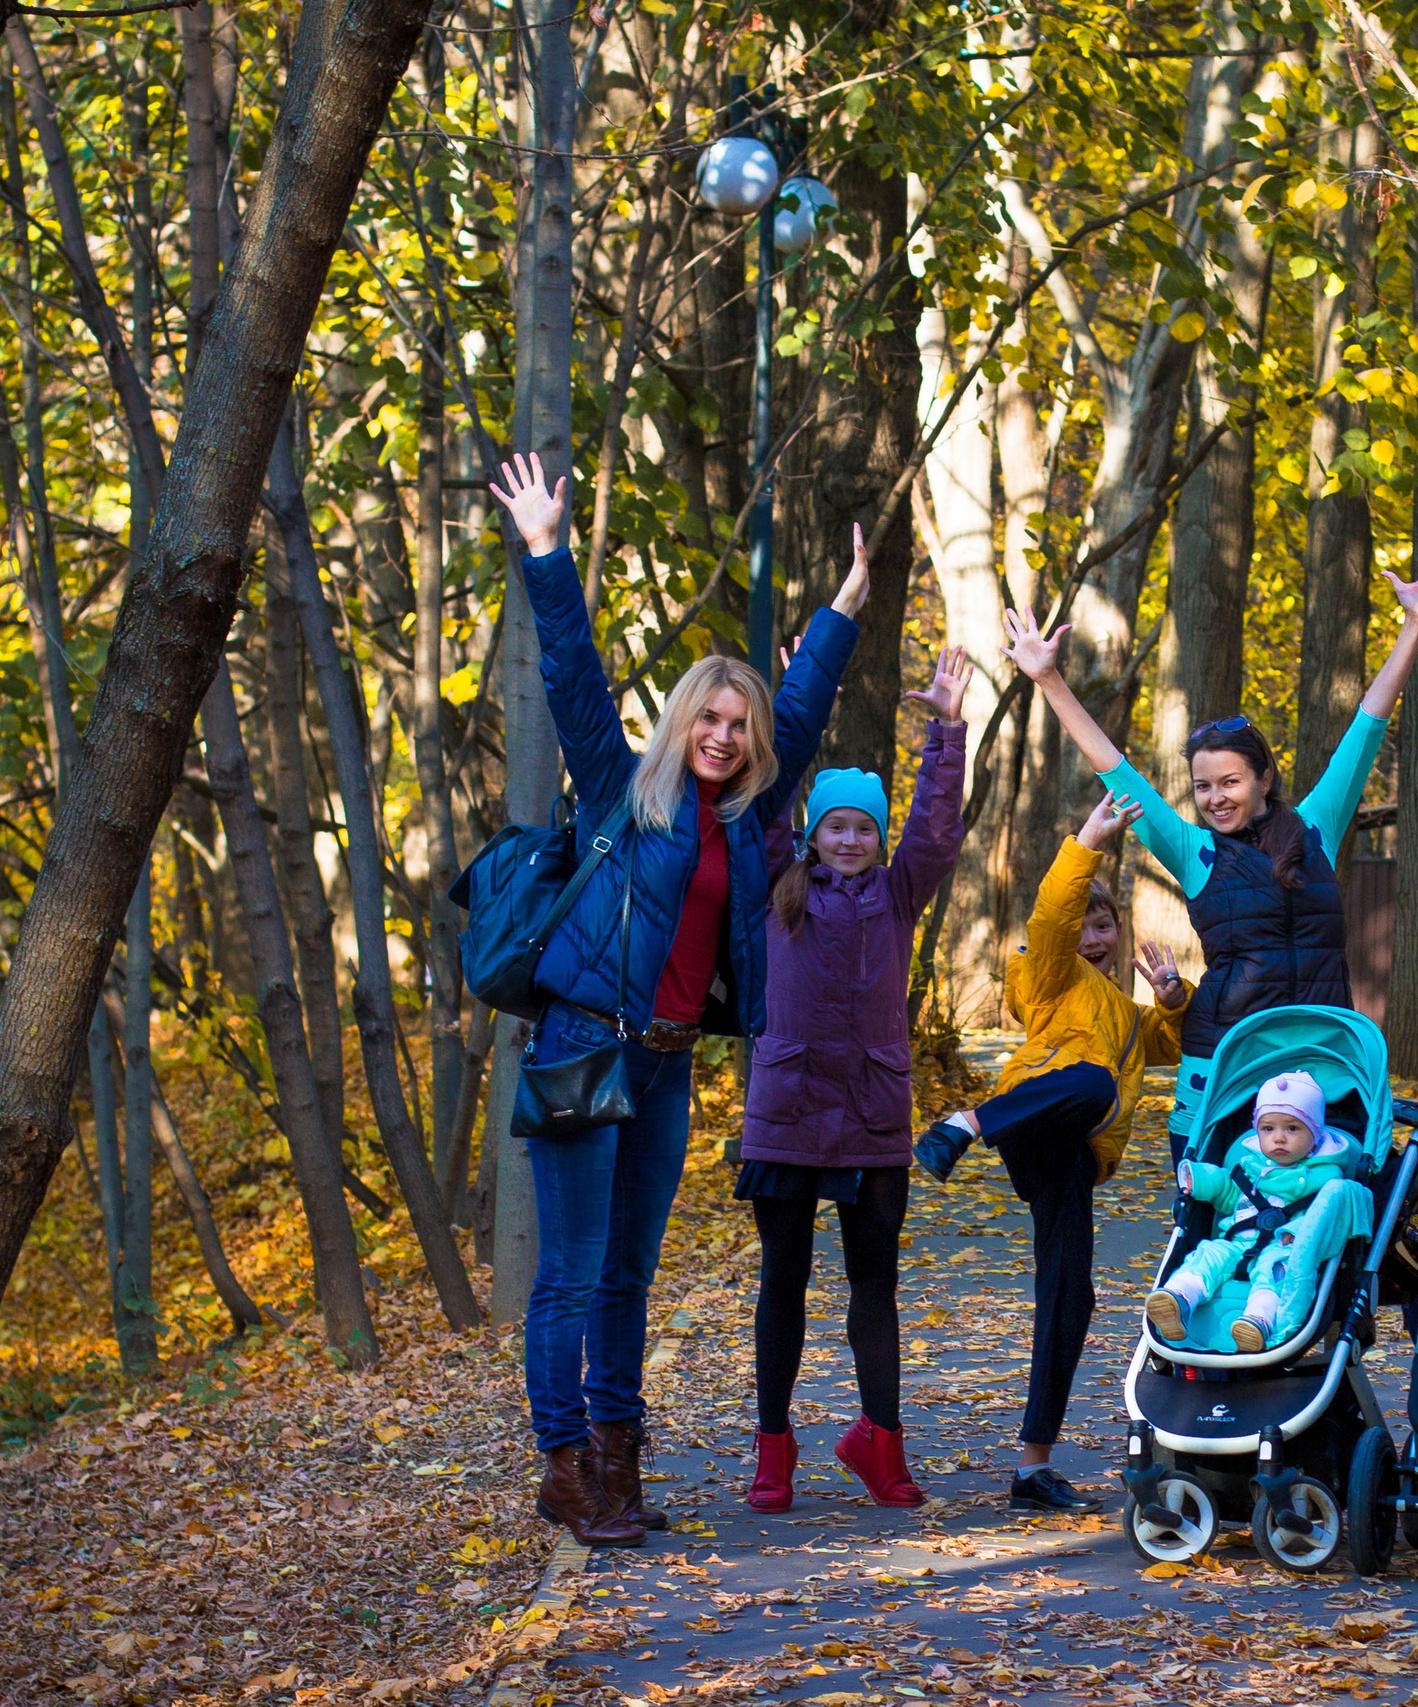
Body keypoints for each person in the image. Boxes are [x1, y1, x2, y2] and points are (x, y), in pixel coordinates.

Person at [491, 453, 869, 1548]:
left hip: (660, 1061)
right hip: (578, 1045)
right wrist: (549, 551)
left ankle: (618, 1467)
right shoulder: (624, 792)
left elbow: (798, 712)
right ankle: (564, 1467)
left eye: (738, 724)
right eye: (707, 718)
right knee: (567, 1274)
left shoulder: (749, 819)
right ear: (678, 725)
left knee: (626, 1272)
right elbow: (569, 675)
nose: (723, 735)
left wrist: (841, 610)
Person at [998, 554, 1418, 1159]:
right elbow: (1113, 769)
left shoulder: (1315, 828)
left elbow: (1368, 726)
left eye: (1230, 782)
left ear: (1263, 778)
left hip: (1323, 1051)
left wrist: (1415, 626)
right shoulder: (1194, 850)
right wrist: (1050, 682)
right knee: (1211, 1208)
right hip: (1226, 1054)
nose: (1215, 798)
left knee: (1341, 1194)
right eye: (1202, 786)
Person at [735, 646, 970, 1514]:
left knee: (875, 1284)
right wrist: (801, 693)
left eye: (863, 827)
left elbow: (937, 827)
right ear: (813, 831)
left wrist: (945, 731)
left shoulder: (899, 890)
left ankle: (882, 1440)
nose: (850, 838)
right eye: (836, 824)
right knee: (782, 1280)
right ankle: (774, 1447)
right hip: (788, 1111)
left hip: (874, 1113)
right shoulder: (778, 883)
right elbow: (768, 792)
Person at [911, 794, 1192, 1512]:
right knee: (1094, 1082)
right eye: (1086, 926)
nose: (1094, 937)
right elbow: (1051, 921)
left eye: (1105, 924)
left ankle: (1032, 1465)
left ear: (1120, 930)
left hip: (1074, 1160)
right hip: (1034, 1118)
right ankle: (968, 1121)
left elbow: (1175, 1043)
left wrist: (1172, 998)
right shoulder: (1050, 977)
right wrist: (1086, 846)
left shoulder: (1127, 1018)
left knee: (1072, 1293)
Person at [1143, 1070, 1373, 1353]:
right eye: (1268, 1129)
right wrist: (1200, 1179)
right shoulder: (1251, 1166)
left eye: (1292, 1128)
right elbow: (1228, 1193)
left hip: (1283, 1247)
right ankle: (1177, 1300)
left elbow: (1323, 1221)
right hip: (1237, 1243)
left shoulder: (1324, 1179)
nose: (1279, 1138)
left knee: (1274, 1274)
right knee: (1207, 1256)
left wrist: (1294, 1232)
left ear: (1315, 1135)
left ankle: (1257, 1322)